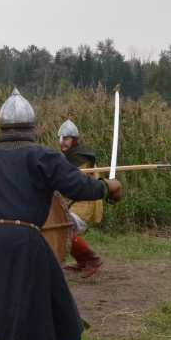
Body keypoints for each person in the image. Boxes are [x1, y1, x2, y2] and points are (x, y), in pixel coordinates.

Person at [0, 89, 123, 340]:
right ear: (32, 128)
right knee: (55, 301)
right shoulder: (40, 155)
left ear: (2, 128)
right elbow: (78, 187)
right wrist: (107, 188)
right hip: (21, 238)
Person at [58, 119, 105, 279]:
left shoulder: (80, 157)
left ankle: (93, 259)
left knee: (63, 228)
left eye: (66, 138)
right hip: (78, 200)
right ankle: (81, 260)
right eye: (61, 138)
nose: (63, 142)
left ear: (74, 139)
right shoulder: (72, 156)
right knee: (63, 226)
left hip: (85, 201)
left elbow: (77, 184)